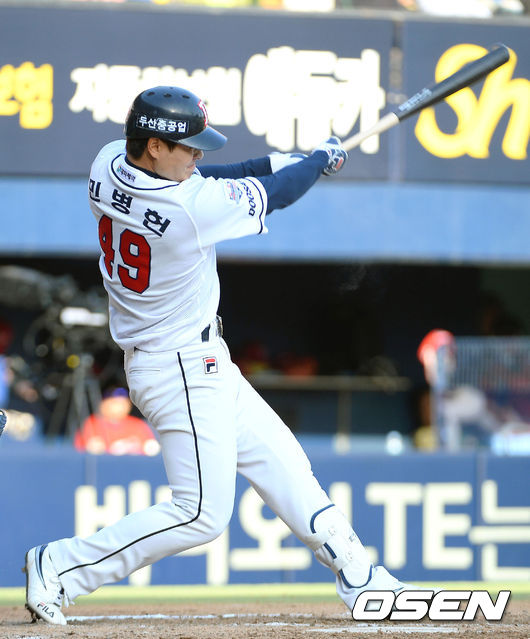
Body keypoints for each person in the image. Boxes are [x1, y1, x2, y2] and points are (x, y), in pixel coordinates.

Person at [24, 86, 429, 625]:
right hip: (177, 369)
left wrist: (283, 162)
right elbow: (276, 195)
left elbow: (217, 176)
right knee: (200, 514)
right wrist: (312, 164)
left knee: (285, 464)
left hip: (196, 360)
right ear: (153, 146)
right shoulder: (187, 211)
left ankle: (361, 577)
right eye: (187, 146)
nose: (197, 155)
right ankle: (60, 567)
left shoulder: (109, 161)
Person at [74, 387, 160, 456]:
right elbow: (83, 450)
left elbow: (151, 448)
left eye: (123, 403)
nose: (119, 407)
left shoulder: (137, 424)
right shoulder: (92, 423)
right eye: (115, 403)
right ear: (104, 403)